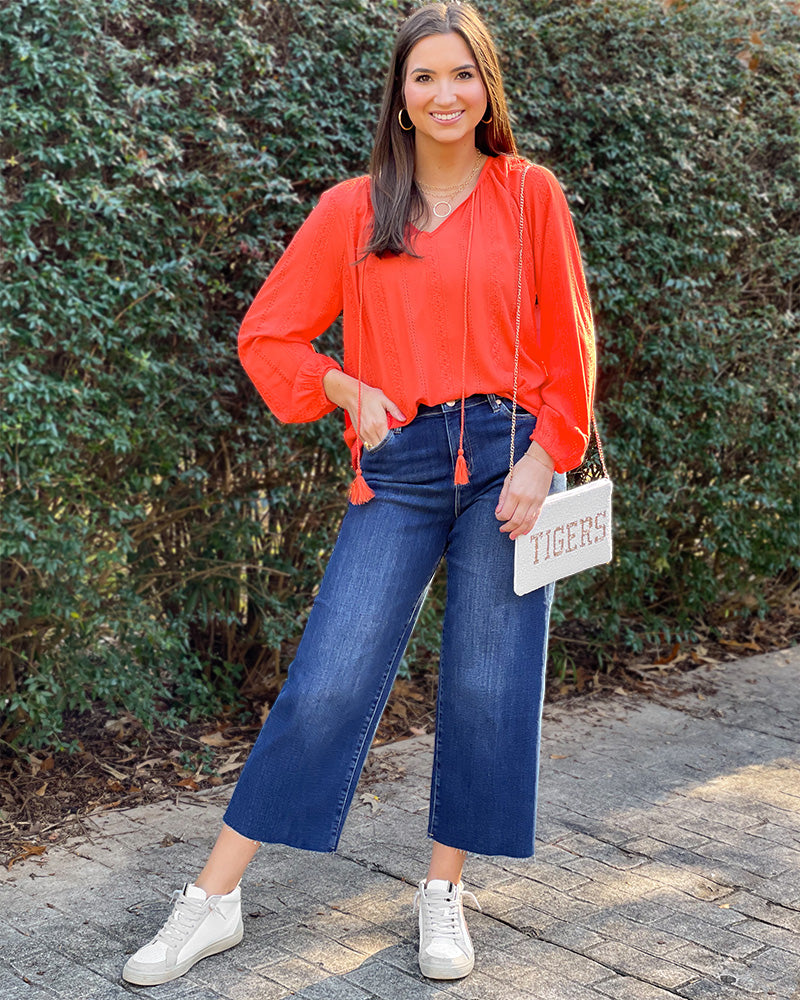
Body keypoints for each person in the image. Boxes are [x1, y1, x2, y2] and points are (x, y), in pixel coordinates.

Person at [122, 0, 595, 987]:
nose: (444, 94)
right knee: (329, 678)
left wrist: (546, 455)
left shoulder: (529, 195)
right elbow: (268, 336)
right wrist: (343, 385)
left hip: (509, 460)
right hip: (401, 467)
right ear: (399, 95)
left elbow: (569, 341)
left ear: (486, 87)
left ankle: (442, 889)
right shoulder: (352, 209)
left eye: (461, 73)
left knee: (487, 683)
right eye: (424, 76)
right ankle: (212, 899)